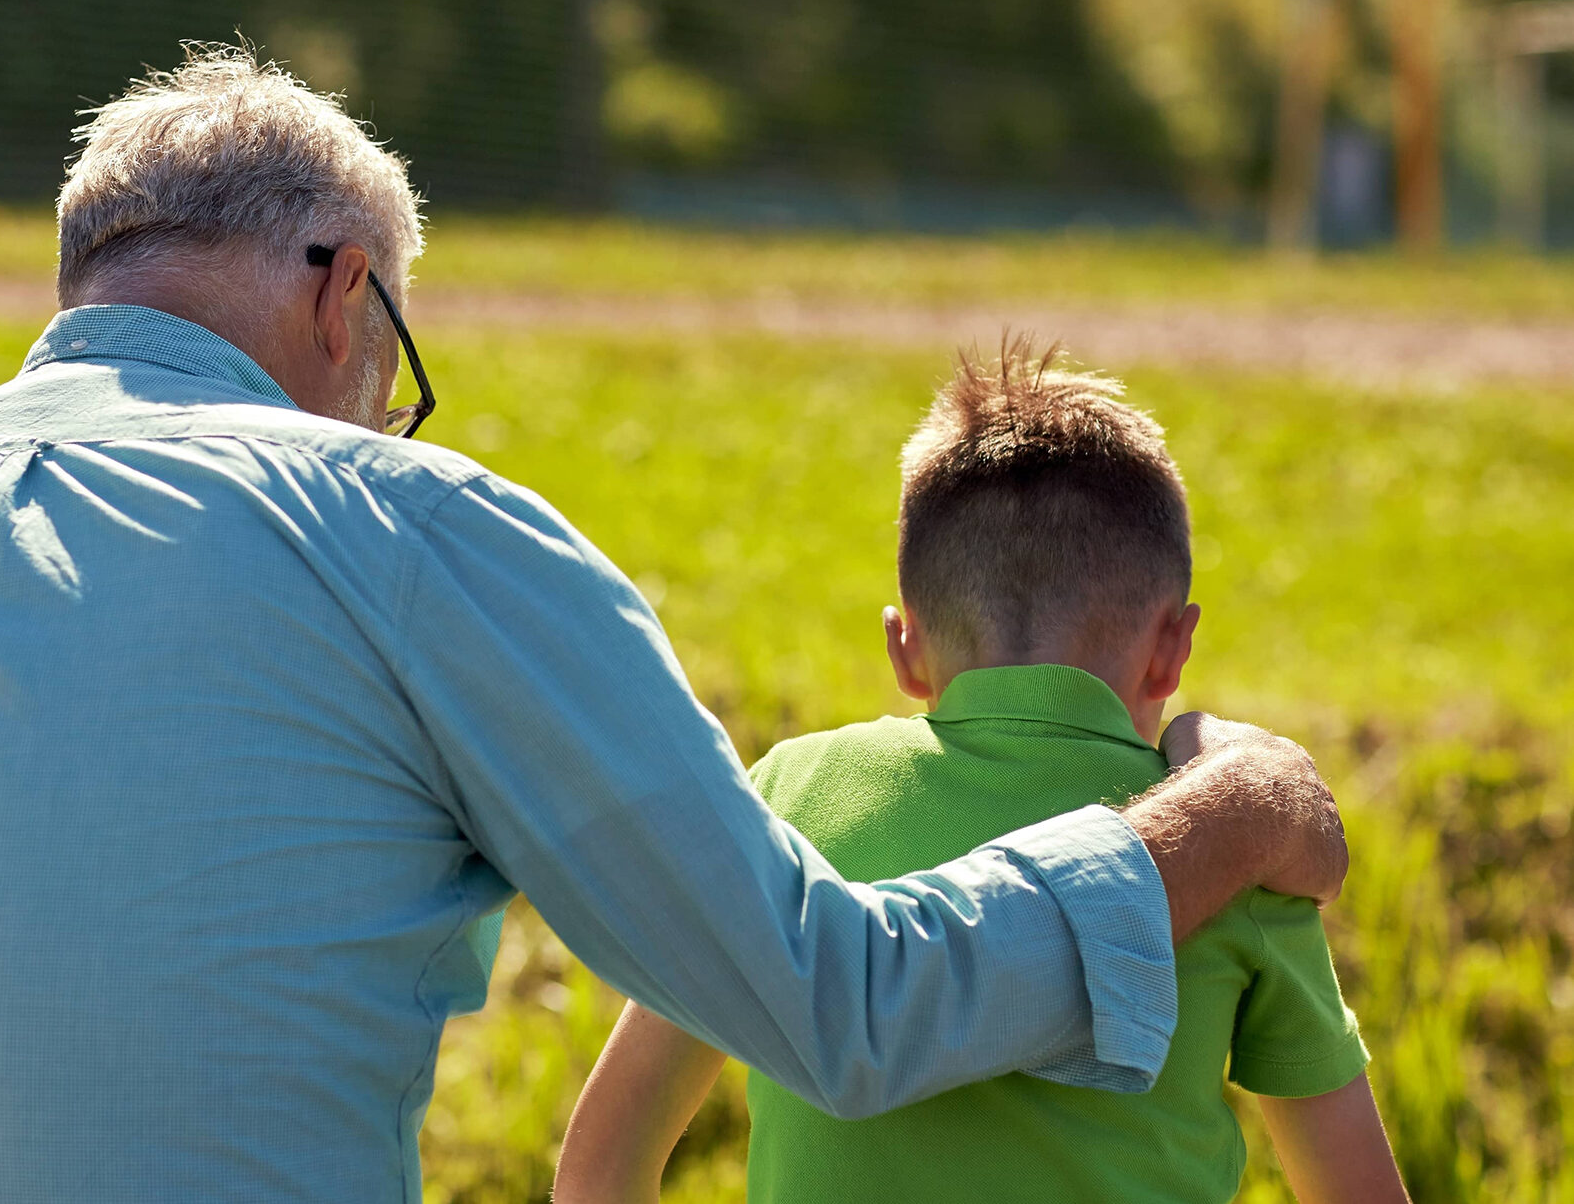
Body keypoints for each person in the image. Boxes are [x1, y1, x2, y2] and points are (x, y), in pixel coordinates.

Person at [0, 46, 1347, 1204]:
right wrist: (1231, 810)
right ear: (347, 292)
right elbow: (844, 1006)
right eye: (393, 360)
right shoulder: (403, 524)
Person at [555, 342, 1406, 1204]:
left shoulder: (790, 796)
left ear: (905, 646)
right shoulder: (1238, 858)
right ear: (1172, 648)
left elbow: (603, 1164)